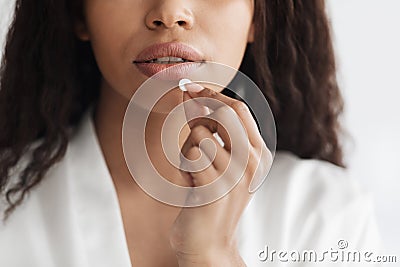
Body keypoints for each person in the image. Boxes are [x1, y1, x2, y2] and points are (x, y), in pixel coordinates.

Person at [0, 0, 383, 266]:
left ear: (259, 16)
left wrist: (213, 257)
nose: (170, 13)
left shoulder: (329, 215)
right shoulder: (8, 205)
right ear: (77, 13)